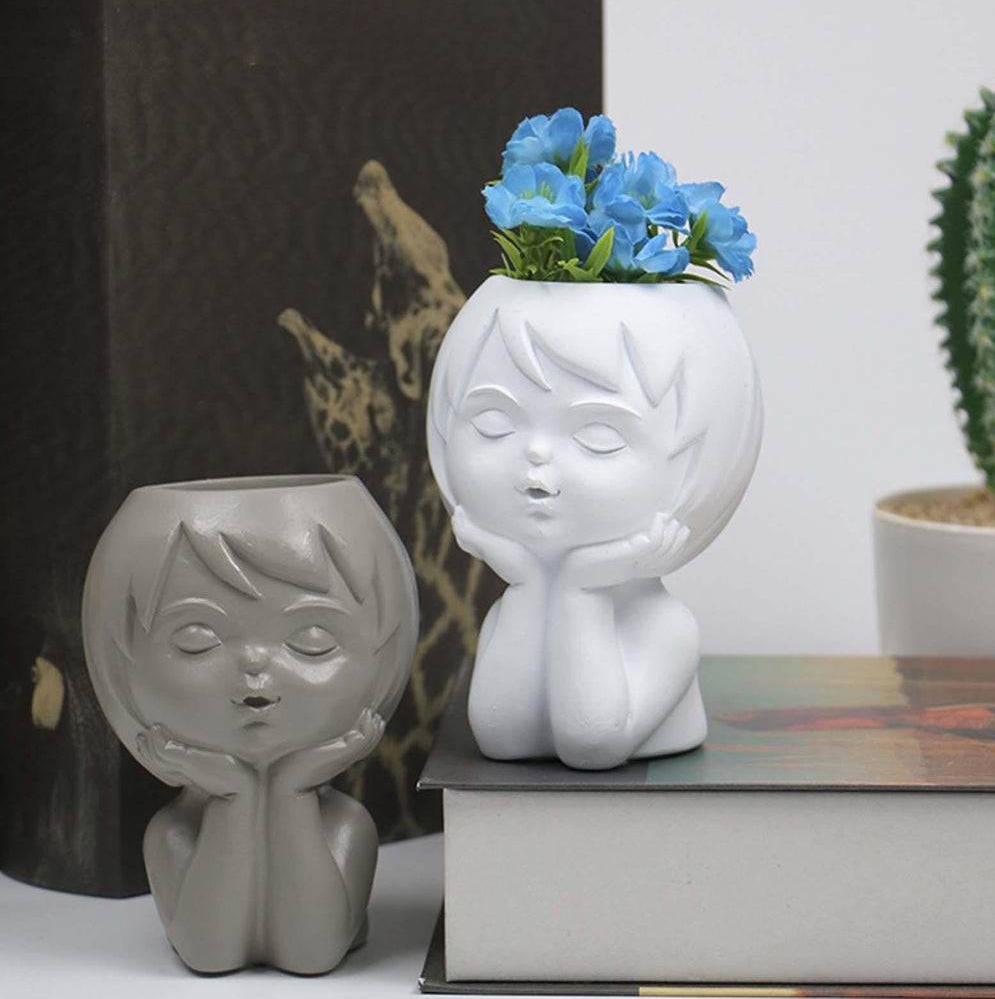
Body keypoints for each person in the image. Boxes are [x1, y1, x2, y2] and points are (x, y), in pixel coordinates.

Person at [82, 475, 417, 974]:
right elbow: (208, 953)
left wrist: (291, 789)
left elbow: (313, 953)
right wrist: (233, 795)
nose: (255, 664)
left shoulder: (347, 830)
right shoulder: (173, 835)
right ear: (119, 667)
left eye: (311, 640)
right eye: (197, 640)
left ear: (384, 659)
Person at [427, 278, 761, 770]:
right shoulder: (515, 607)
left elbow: (592, 742)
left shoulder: (665, 628)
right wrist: (529, 585)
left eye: (598, 437)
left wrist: (581, 592)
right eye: (494, 424)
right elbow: (501, 737)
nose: (535, 453)